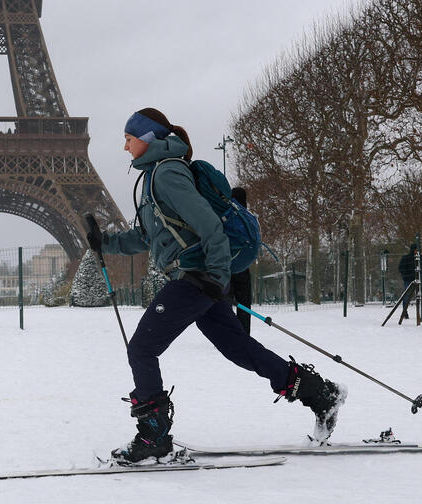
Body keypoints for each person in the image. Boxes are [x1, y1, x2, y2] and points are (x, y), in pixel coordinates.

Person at [89, 108, 346, 465]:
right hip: (200, 279)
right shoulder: (152, 179)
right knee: (238, 348)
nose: (124, 146)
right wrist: (105, 242)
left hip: (195, 278)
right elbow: (146, 236)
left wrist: (216, 276)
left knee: (142, 348)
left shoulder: (166, 174)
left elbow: (208, 224)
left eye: (128, 139)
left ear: (147, 138)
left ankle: (154, 437)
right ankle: (321, 394)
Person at [228, 186, 252, 335]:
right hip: (243, 265)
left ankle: (228, 333)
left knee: (226, 301)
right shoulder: (247, 217)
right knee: (244, 302)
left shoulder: (226, 214)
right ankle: (244, 333)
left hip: (226, 264)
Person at [396, 243, 422, 320]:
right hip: (409, 280)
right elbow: (401, 268)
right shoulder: (406, 258)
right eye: (416, 250)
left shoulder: (420, 258)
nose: (417, 251)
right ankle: (404, 312)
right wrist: (406, 276)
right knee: (407, 296)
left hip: (418, 279)